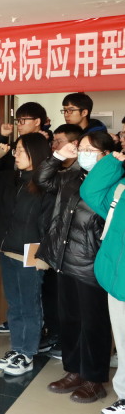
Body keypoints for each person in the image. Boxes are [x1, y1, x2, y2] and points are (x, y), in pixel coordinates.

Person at [36, 131, 115, 403]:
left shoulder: (112, 181)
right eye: (81, 148)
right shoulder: (72, 176)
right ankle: (74, 371)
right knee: (69, 320)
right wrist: (59, 155)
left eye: (90, 150)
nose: (84, 154)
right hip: (65, 259)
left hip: (91, 264)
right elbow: (42, 179)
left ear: (106, 155)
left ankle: (94, 379)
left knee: (93, 324)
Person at [0, 133, 53, 376]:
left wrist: (43, 256)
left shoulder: (46, 186)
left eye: (22, 150)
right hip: (7, 250)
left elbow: (49, 224)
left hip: (30, 254)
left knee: (29, 304)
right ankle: (17, 348)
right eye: (16, 150)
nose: (17, 155)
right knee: (14, 304)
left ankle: (27, 353)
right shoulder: (12, 179)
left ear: (36, 153)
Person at [80, 149, 125, 414]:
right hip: (117, 279)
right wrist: (111, 162)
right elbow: (91, 192)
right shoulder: (121, 188)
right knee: (123, 342)